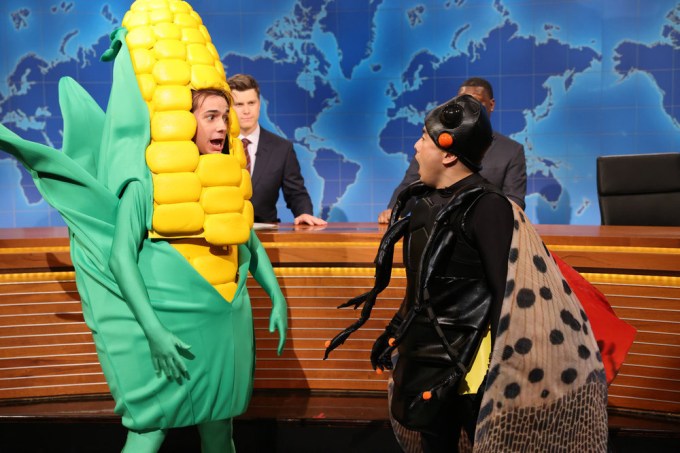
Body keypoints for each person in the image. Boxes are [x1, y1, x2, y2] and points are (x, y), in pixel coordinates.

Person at [1, 27, 287, 453]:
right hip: (169, 324)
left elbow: (246, 239)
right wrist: (153, 330)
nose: (223, 126)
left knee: (219, 428)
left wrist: (275, 295)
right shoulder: (143, 185)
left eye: (224, 117)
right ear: (183, 121)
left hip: (225, 321)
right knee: (149, 430)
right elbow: (120, 258)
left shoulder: (226, 179)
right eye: (211, 116)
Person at [324, 94, 608, 452]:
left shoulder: (488, 207)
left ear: (448, 153)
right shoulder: (424, 204)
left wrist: (499, 368)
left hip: (474, 370)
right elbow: (421, 287)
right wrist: (395, 330)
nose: (415, 147)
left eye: (423, 139)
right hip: (427, 361)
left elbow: (507, 294)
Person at [378, 77, 526, 223]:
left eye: (476, 102)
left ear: (491, 104)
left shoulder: (512, 151)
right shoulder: (435, 144)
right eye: (461, 103)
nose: (467, 109)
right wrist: (393, 210)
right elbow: (410, 184)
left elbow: (514, 200)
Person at [227, 74, 327, 226]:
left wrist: (304, 213)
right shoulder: (218, 146)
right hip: (224, 230)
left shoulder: (282, 149)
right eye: (239, 105)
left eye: (251, 103)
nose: (246, 111)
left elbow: (296, 193)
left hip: (265, 231)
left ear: (259, 104)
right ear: (229, 108)